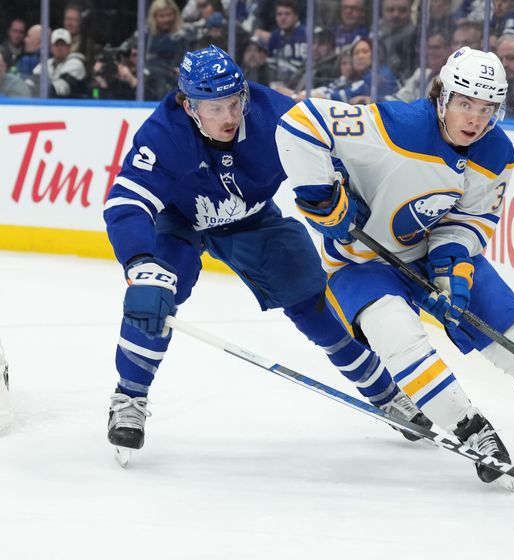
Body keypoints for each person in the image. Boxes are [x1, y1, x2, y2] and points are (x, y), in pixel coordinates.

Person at [275, 47, 514, 484]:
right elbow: (301, 121)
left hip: (429, 252)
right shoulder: (395, 126)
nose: (475, 119)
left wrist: (452, 269)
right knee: (399, 338)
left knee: (507, 332)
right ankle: (473, 430)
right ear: (442, 97)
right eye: (465, 104)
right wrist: (322, 199)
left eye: (487, 109)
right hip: (360, 261)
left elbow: (472, 219)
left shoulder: (497, 151)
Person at [103, 45, 430, 457]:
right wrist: (139, 262)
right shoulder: (164, 133)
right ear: (189, 107)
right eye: (214, 108)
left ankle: (385, 393)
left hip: (253, 218)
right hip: (180, 219)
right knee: (155, 295)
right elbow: (126, 203)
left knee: (313, 302)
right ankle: (129, 398)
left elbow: (332, 154)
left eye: (233, 103)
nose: (228, 117)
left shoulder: (274, 114)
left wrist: (344, 193)